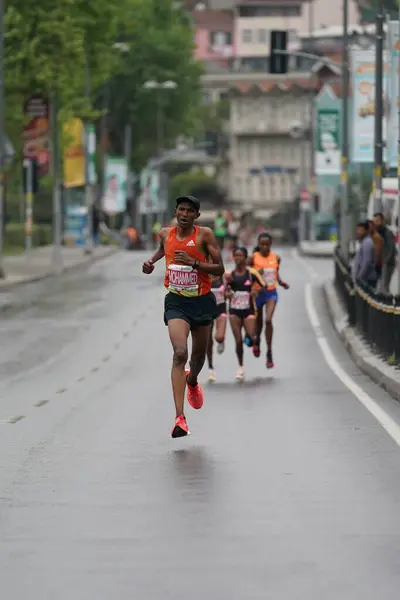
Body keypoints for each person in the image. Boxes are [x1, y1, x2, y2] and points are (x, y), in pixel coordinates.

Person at [142, 195, 224, 438]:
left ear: (196, 215)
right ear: (175, 211)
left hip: (202, 301)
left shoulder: (204, 235)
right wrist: (151, 263)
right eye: (181, 209)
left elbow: (220, 269)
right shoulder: (165, 233)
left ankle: (193, 380)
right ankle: (180, 418)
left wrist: (194, 263)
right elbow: (161, 250)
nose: (184, 214)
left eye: (189, 210)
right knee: (180, 354)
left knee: (197, 357)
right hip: (176, 301)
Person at [248, 233, 289, 369]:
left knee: (268, 320)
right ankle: (257, 340)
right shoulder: (253, 258)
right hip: (257, 294)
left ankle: (269, 352)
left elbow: (276, 273)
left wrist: (282, 282)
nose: (264, 247)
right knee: (258, 323)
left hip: (271, 293)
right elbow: (246, 274)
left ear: (270, 245)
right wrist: (254, 274)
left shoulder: (276, 258)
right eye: (262, 244)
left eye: (267, 244)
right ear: (258, 245)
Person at [225, 247, 266, 381]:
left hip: (249, 310)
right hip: (234, 311)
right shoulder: (229, 275)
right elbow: (224, 290)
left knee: (251, 336)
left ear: (245, 257)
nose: (238, 258)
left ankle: (253, 341)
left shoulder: (251, 273)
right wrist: (227, 294)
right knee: (238, 341)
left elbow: (264, 285)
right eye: (235, 255)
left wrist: (256, 291)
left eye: (240, 255)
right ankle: (240, 367)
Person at [206, 275, 227, 383]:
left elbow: (232, 290)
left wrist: (229, 293)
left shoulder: (224, 277)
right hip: (206, 312)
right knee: (208, 340)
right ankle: (210, 367)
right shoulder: (202, 276)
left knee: (218, 337)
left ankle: (221, 340)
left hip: (220, 310)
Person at [373, 212, 396, 294]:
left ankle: (387, 303)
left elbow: (391, 249)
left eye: (378, 220)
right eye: (375, 220)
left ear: (382, 221)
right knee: (380, 286)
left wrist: (385, 261)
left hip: (387, 264)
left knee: (384, 287)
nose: (376, 222)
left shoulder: (387, 233)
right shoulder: (376, 232)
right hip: (380, 263)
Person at [352, 221, 378, 288]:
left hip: (367, 279)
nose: (358, 232)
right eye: (357, 230)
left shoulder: (367, 242)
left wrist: (360, 276)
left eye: (360, 230)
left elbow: (367, 261)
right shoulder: (363, 242)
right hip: (364, 278)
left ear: (366, 231)